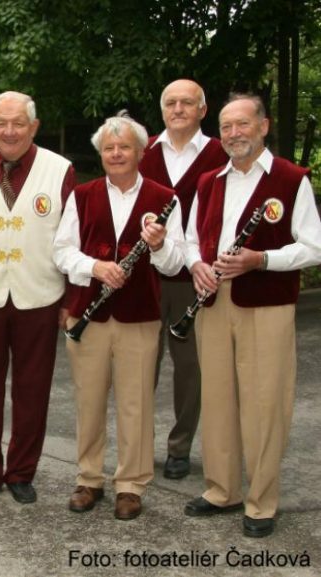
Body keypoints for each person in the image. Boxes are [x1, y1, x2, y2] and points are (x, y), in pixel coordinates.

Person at [182, 94, 321, 538]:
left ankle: (262, 501)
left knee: (265, 404)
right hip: (214, 301)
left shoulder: (290, 178)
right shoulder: (208, 181)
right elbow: (188, 240)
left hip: (267, 305)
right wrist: (197, 265)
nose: (234, 133)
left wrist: (261, 260)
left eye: (243, 124)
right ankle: (222, 490)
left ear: (264, 126)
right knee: (219, 401)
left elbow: (314, 247)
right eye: (226, 127)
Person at [53, 112, 184, 520]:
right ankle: (89, 478)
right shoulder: (82, 195)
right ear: (101, 153)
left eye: (124, 146)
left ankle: (131, 484)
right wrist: (94, 267)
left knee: (135, 403)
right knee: (89, 401)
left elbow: (175, 263)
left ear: (141, 152)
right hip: (87, 317)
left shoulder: (166, 198)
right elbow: (61, 251)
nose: (116, 153)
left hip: (139, 317)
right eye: (109, 148)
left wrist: (160, 246)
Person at [0, 91, 76, 506]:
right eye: (1, 123)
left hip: (40, 294)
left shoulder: (60, 170)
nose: (9, 131)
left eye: (18, 123)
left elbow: (72, 240)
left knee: (33, 388)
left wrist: (71, 301)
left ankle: (22, 471)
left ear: (34, 127)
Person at [138, 79, 229, 480]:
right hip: (145, 276)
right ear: (162, 111)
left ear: (202, 110)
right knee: (140, 363)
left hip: (193, 277)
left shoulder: (219, 153)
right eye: (171, 103)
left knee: (189, 368)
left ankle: (179, 447)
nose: (178, 109)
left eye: (187, 103)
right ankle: (138, 445)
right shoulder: (142, 151)